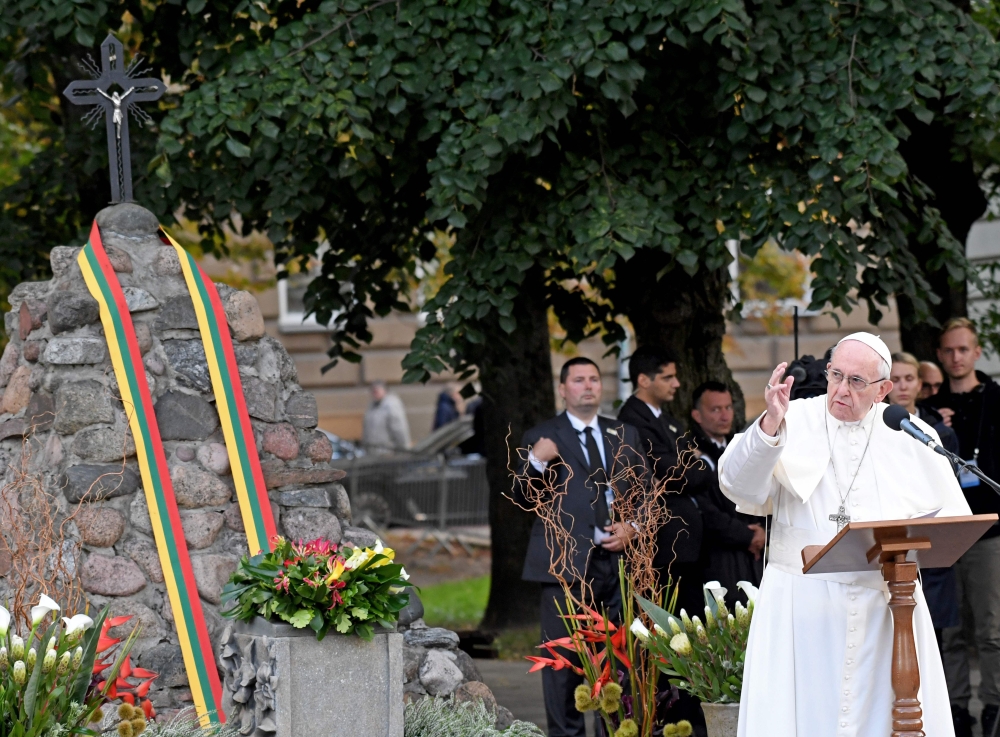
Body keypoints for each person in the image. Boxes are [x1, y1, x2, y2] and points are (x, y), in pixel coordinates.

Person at [719, 332, 970, 737]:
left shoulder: (907, 433)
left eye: (857, 381)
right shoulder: (790, 417)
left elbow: (947, 523)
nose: (841, 389)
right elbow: (738, 486)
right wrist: (768, 426)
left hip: (885, 608)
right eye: (836, 374)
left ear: (884, 390)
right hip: (801, 606)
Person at [515, 357, 645, 737]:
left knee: (618, 662)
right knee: (562, 665)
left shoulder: (624, 433)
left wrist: (633, 527)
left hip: (618, 565)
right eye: (577, 380)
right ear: (562, 389)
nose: (587, 386)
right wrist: (537, 461)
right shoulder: (542, 435)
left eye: (593, 379)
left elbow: (647, 491)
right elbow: (524, 500)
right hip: (565, 567)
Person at [924, 318, 1000, 737]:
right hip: (943, 532)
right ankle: (954, 708)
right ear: (940, 354)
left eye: (963, 349)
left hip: (989, 529)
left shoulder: (995, 398)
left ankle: (993, 706)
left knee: (991, 629)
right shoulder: (928, 408)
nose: (955, 357)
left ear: (975, 352)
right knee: (947, 629)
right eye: (948, 350)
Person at [616, 348, 706, 615]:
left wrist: (692, 463)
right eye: (668, 378)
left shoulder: (667, 420)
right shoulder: (632, 420)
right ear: (644, 380)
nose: (676, 384)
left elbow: (697, 465)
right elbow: (672, 474)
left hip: (684, 542)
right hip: (664, 543)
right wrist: (690, 462)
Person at [887, 352, 961, 648]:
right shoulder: (869, 430)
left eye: (909, 378)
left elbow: (949, 487)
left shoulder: (938, 430)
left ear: (920, 384)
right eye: (895, 379)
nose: (902, 386)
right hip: (889, 542)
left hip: (929, 543)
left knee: (936, 638)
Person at [689, 381, 764, 605]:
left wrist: (762, 530)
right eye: (715, 409)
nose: (724, 416)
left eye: (728, 408)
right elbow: (704, 510)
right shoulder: (691, 453)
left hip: (753, 556)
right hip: (716, 556)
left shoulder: (740, 447)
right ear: (697, 415)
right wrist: (748, 535)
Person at [361, 381, 412, 453]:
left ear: (385, 390)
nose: (375, 394)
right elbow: (366, 430)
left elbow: (399, 429)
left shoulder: (392, 405)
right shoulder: (372, 406)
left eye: (377, 391)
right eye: (373, 391)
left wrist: (404, 449)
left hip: (388, 451)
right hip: (373, 451)